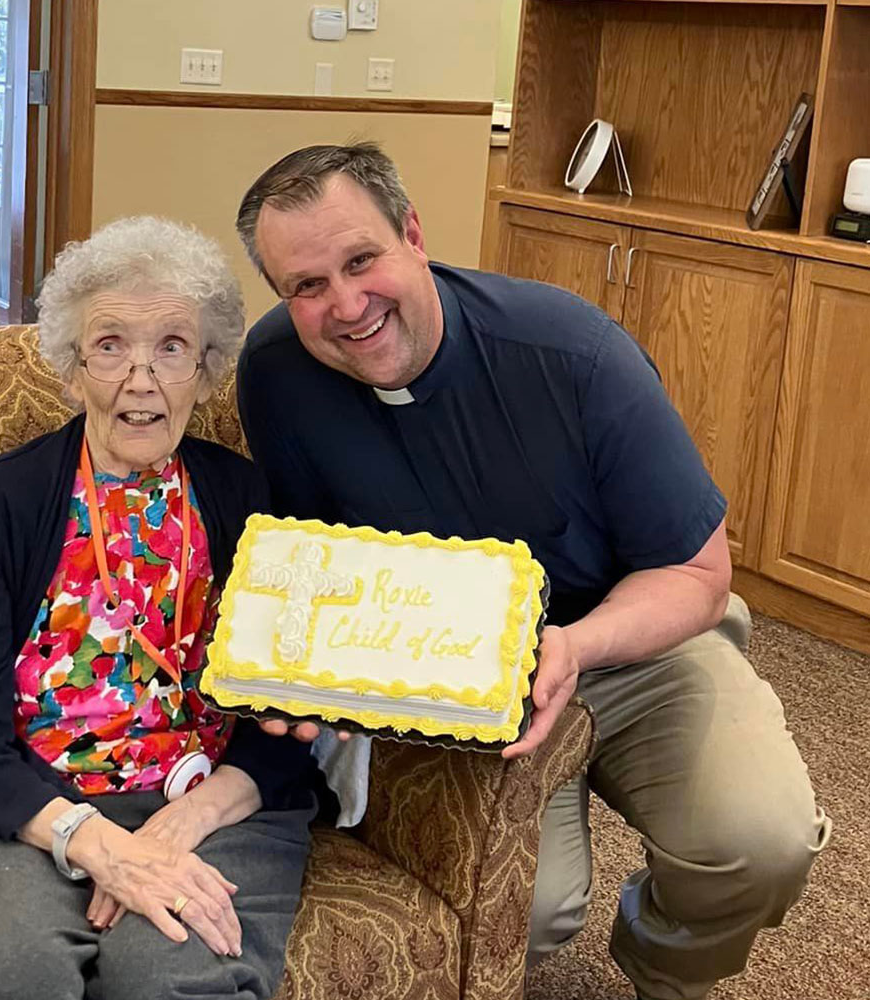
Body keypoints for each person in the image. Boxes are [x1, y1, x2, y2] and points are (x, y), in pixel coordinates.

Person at [232, 142, 830, 1000]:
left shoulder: (573, 354)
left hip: (629, 637)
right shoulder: (277, 372)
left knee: (755, 843)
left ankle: (662, 964)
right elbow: (306, 560)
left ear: (412, 233)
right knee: (533, 910)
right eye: (307, 286)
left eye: (361, 260)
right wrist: (293, 685)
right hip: (453, 674)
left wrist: (576, 647)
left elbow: (697, 571)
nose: (346, 305)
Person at [0, 215, 318, 1000]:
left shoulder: (246, 500)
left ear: (205, 371)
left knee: (172, 976)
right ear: (69, 369)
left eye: (171, 347)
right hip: (30, 805)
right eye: (109, 347)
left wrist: (175, 830)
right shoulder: (4, 498)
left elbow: (282, 723)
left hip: (214, 800)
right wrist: (96, 843)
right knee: (16, 976)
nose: (141, 378)